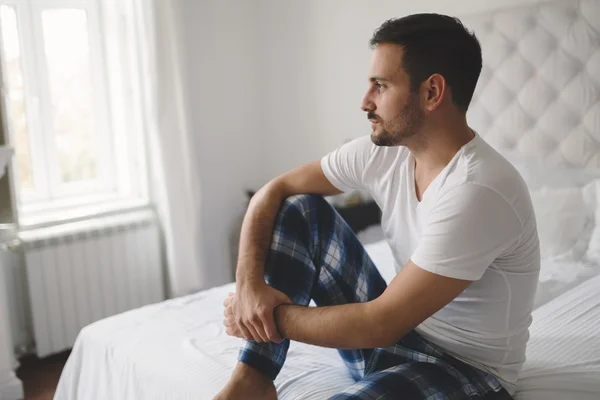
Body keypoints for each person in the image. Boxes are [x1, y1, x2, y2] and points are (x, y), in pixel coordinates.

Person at [215, 13, 540, 400]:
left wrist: (263, 319)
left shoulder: (480, 189)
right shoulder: (385, 153)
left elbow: (380, 324)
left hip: (465, 370)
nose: (365, 102)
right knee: (298, 209)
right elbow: (274, 190)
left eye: (381, 86)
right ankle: (252, 380)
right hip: (400, 337)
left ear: (432, 92)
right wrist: (249, 288)